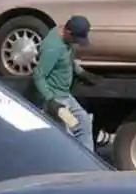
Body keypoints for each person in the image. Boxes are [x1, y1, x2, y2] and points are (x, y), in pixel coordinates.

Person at [33, 15, 94, 150]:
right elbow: (38, 75)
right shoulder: (52, 48)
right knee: (67, 130)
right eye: (76, 39)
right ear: (68, 32)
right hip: (56, 98)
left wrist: (82, 73)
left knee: (84, 122)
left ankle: (88, 161)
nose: (77, 43)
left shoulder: (67, 41)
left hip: (66, 96)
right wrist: (51, 100)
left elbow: (69, 61)